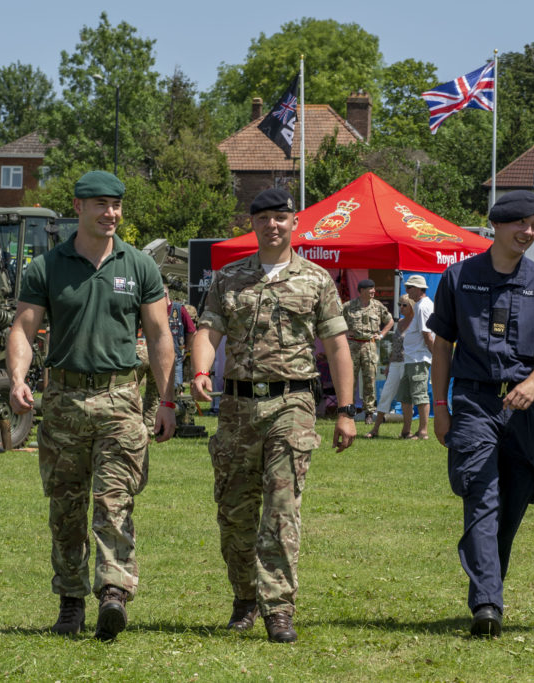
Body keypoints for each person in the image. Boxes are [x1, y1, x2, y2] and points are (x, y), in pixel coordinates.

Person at [7, 170, 177, 641]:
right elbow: (22, 329)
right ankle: (70, 601)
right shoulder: (46, 267)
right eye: (101, 204)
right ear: (78, 208)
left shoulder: (139, 265)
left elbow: (161, 335)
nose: (111, 213)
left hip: (121, 398)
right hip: (62, 402)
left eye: (117, 205)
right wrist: (19, 379)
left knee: (115, 499)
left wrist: (166, 400)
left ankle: (114, 593)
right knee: (65, 506)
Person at [190, 188, 356, 644]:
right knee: (235, 511)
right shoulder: (228, 279)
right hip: (239, 408)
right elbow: (208, 329)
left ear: (294, 222)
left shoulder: (317, 280)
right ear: (253, 224)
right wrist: (201, 370)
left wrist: (346, 409)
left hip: (293, 405)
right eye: (263, 218)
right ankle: (245, 599)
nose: (272, 225)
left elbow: (338, 345)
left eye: (281, 217)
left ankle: (278, 607)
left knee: (282, 509)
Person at [429, 190, 534, 637]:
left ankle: (489, 578)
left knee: (516, 498)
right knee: (481, 497)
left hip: (525, 406)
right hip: (474, 402)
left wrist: (533, 383)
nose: (530, 233)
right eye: (522, 225)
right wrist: (439, 406)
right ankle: (487, 602)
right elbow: (442, 346)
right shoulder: (458, 277)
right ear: (498, 226)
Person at [140, 285, 196, 431]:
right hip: (146, 354)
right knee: (138, 392)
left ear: (168, 294)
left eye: (163, 294)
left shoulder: (179, 309)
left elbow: (191, 331)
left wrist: (187, 350)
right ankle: (144, 424)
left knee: (173, 391)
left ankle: (167, 424)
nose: (161, 298)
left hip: (174, 357)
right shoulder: (148, 307)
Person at [342, 278, 394, 424]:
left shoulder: (377, 306)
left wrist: (382, 334)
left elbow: (390, 321)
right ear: (361, 291)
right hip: (353, 346)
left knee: (369, 379)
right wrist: (344, 333)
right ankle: (349, 410)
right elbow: (335, 321)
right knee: (349, 379)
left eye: (373, 289)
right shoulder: (349, 306)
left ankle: (369, 412)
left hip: (369, 345)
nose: (373, 291)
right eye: (370, 289)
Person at [364, 295, 414, 439]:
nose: (401, 308)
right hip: (396, 363)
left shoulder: (417, 323)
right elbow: (395, 346)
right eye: (400, 304)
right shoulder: (400, 323)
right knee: (386, 394)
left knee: (406, 398)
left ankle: (406, 431)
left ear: (411, 305)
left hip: (409, 362)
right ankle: (375, 429)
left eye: (404, 305)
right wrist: (389, 364)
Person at [397, 274, 434, 440]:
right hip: (411, 358)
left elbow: (427, 334)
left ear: (419, 288)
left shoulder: (423, 306)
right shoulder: (420, 305)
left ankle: (423, 431)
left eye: (409, 287)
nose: (406, 290)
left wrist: (436, 356)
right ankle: (406, 431)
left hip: (419, 358)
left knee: (420, 395)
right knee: (405, 396)